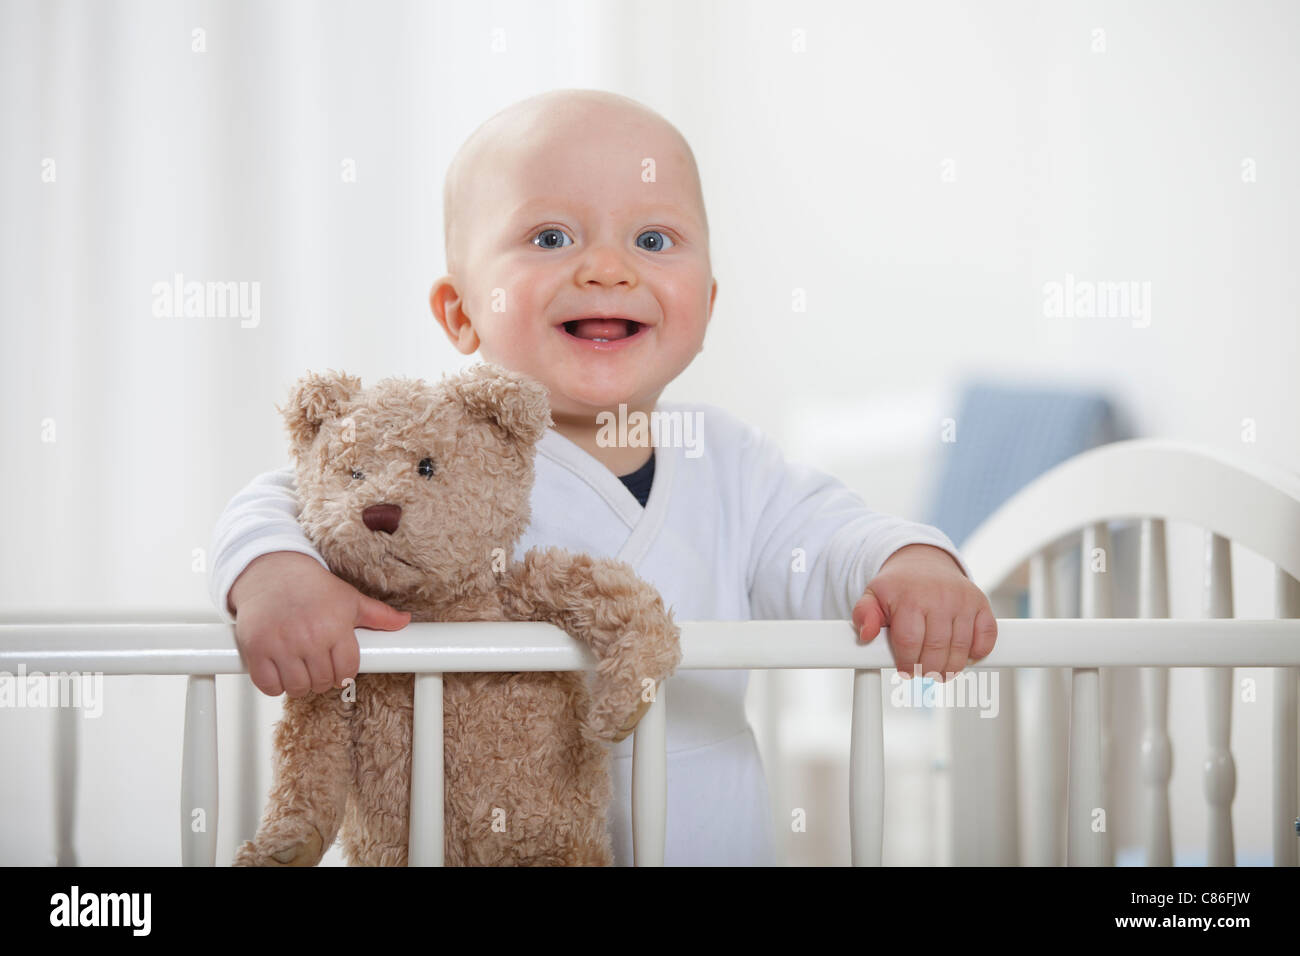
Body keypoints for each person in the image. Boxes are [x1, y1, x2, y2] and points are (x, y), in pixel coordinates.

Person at [209, 88, 998, 866]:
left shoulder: (732, 463)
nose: (608, 269)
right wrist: (275, 569)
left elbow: (831, 537)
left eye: (654, 241)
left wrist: (908, 563)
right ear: (459, 313)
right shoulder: (434, 442)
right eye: (550, 237)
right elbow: (295, 496)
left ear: (708, 305)